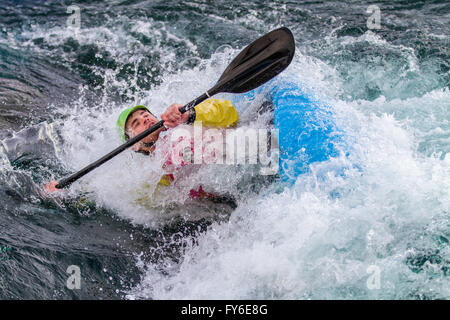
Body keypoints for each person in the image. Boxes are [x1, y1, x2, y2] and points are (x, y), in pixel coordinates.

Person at [44, 98, 239, 201]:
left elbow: (230, 113)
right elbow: (106, 193)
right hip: (225, 194)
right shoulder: (151, 174)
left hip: (241, 155)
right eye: (137, 123)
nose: (146, 119)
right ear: (134, 145)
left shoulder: (184, 123)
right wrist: (66, 194)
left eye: (146, 115)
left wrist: (189, 114)